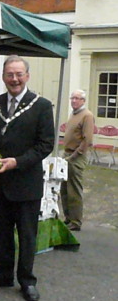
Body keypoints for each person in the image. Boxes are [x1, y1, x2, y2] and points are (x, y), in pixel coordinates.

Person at [0, 55, 54, 301]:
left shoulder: (41, 105)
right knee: (1, 232)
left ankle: (27, 281)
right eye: (10, 74)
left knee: (27, 235)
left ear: (27, 76)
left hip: (26, 183)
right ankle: (4, 274)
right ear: (3, 77)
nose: (14, 79)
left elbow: (45, 145)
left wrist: (16, 162)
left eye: (19, 74)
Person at [60, 90, 94, 232]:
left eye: (77, 98)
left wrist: (74, 155)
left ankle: (76, 221)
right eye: (72, 98)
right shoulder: (73, 114)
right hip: (67, 154)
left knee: (74, 190)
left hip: (76, 157)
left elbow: (87, 140)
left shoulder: (87, 115)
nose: (73, 101)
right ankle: (68, 218)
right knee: (64, 189)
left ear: (83, 101)